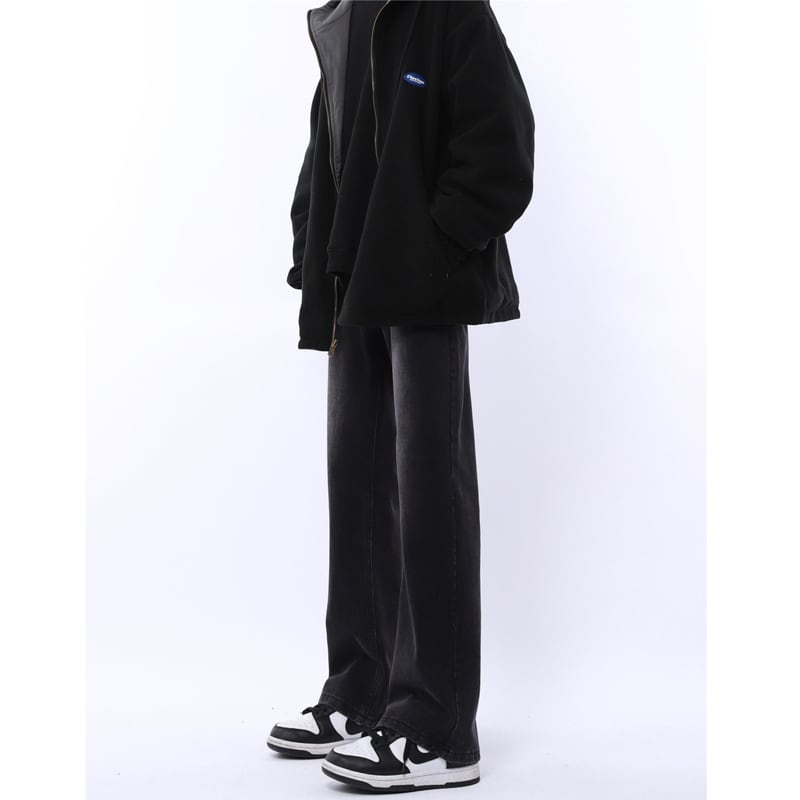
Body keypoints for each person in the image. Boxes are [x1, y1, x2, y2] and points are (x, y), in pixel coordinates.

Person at [267, 0, 535, 791]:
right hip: (350, 289)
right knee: (356, 493)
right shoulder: (342, 18)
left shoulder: (448, 10)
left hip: (421, 288)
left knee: (428, 494)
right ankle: (362, 692)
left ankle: (439, 727)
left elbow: (503, 139)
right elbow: (328, 146)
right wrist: (309, 247)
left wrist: (440, 243)